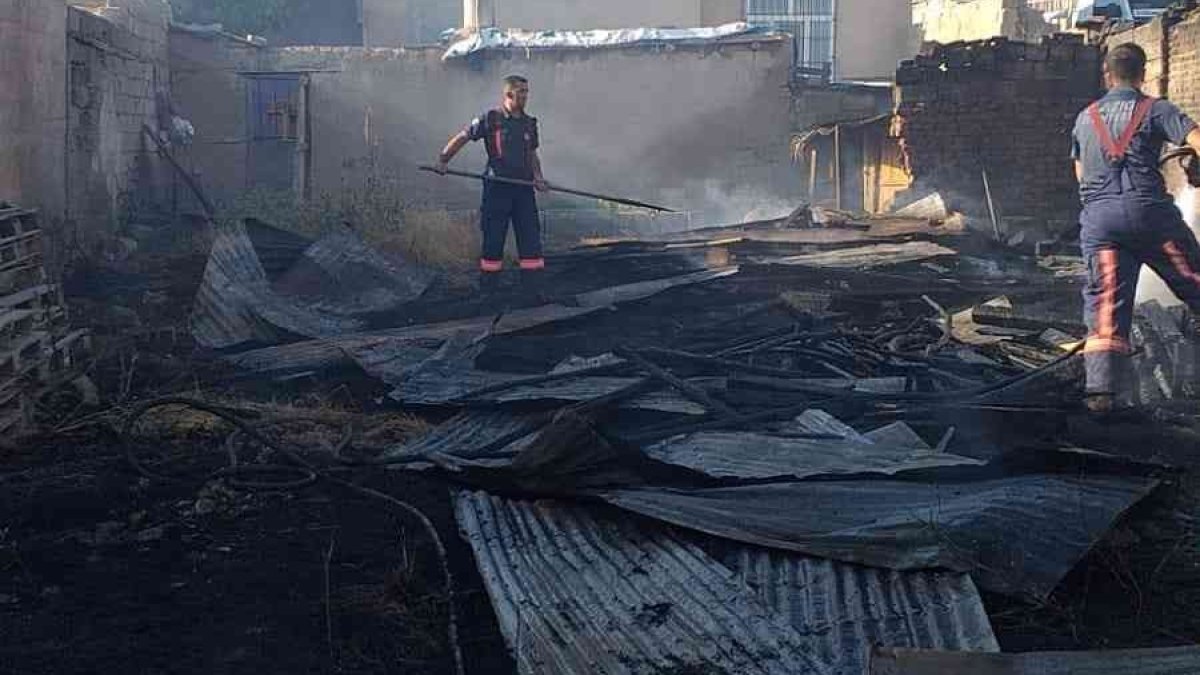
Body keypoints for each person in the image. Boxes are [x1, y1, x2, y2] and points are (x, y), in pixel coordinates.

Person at [1071, 42, 1200, 413]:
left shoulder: (1085, 117)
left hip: (1100, 222)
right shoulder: (1156, 109)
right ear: (1143, 75)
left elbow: (1080, 174)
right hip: (1151, 218)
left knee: (1106, 305)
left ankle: (1100, 394)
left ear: (1107, 76)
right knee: (1192, 278)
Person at [435, 75, 550, 297]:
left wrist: (538, 176)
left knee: (530, 240)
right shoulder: (491, 119)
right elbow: (463, 136)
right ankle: (489, 291)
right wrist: (443, 160)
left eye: (527, 91)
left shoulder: (529, 123)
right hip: (497, 189)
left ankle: (533, 291)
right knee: (493, 239)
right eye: (521, 91)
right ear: (508, 94)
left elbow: (532, 154)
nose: (526, 96)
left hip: (524, 191)